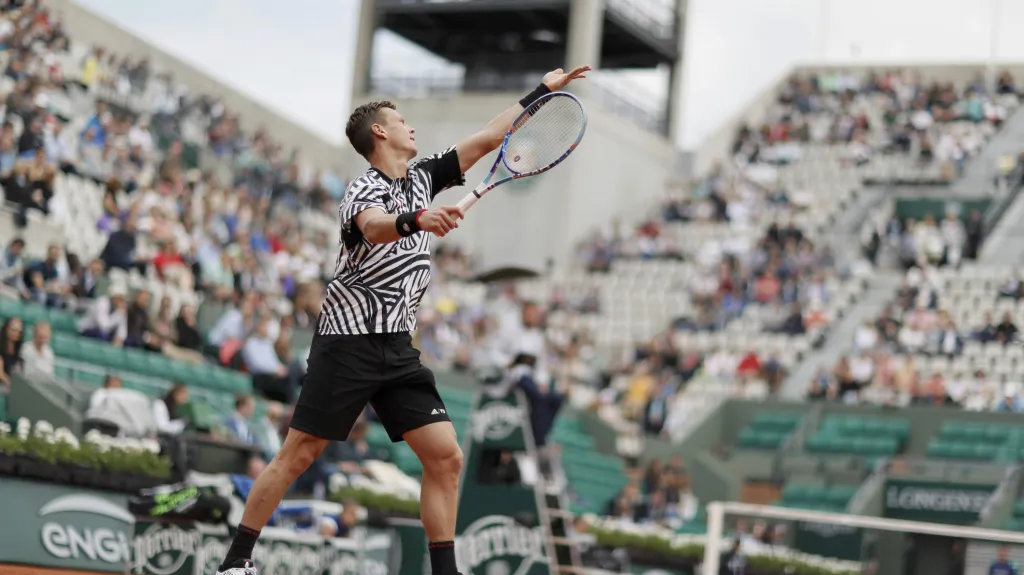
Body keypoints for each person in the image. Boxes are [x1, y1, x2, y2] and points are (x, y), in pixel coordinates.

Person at [215, 64, 591, 575]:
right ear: (379, 132)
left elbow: (488, 137)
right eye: (402, 120)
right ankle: (236, 562)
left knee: (446, 457)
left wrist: (542, 92)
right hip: (346, 344)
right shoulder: (362, 191)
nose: (411, 127)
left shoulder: (423, 177)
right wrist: (418, 220)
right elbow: (374, 227)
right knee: (298, 455)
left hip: (398, 350)